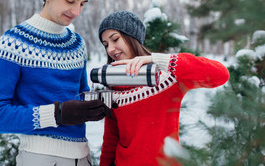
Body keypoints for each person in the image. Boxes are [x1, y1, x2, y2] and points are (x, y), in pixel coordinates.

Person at [0, 0, 111, 166]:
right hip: (40, 158)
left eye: (82, 4)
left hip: (82, 156)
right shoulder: (14, 43)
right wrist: (56, 114)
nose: (77, 12)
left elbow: (78, 98)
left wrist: (97, 103)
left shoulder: (77, 44)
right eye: (70, 0)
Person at [97, 11, 230, 166]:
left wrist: (158, 60)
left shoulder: (167, 76)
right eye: (106, 44)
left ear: (132, 38)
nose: (110, 49)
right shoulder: (113, 83)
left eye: (115, 39)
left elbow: (220, 74)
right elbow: (111, 140)